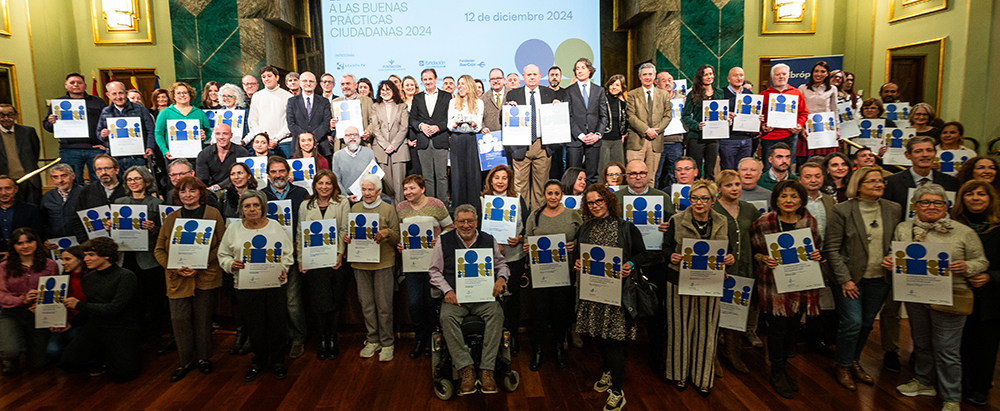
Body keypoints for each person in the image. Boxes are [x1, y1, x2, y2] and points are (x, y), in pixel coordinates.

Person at [887, 184, 988, 411]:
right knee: (922, 343)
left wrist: (966, 266)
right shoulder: (904, 228)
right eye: (925, 202)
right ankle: (924, 382)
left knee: (947, 349)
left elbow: (982, 262)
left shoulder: (964, 232)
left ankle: (952, 397)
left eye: (937, 203)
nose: (931, 207)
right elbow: (896, 254)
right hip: (915, 295)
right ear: (916, 206)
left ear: (946, 206)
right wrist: (890, 260)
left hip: (951, 297)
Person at [879, 136, 961, 373]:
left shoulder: (950, 183)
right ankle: (891, 349)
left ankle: (922, 350)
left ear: (935, 153)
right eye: (918, 151)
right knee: (893, 306)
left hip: (939, 249)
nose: (924, 155)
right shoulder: (892, 183)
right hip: (902, 247)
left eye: (928, 150)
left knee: (929, 305)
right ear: (908, 156)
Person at [575, 184, 651, 411]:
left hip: (618, 295)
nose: (596, 205)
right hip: (593, 293)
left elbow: (642, 254)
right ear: (586, 206)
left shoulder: (626, 227)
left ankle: (617, 391)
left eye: (599, 200)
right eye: (591, 202)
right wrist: (577, 263)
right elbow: (578, 255)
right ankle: (608, 372)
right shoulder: (585, 228)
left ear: (608, 201)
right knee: (599, 335)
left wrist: (631, 264)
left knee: (614, 341)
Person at [823, 166, 899, 391]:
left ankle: (854, 360)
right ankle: (843, 365)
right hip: (849, 278)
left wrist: (894, 257)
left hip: (879, 277)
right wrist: (845, 279)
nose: (878, 184)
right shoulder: (843, 210)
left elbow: (898, 240)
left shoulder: (893, 208)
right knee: (852, 322)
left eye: (880, 181)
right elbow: (832, 248)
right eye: (872, 181)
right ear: (858, 185)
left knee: (866, 323)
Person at [750, 180, 823, 399]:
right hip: (773, 284)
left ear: (801, 200)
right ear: (776, 199)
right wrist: (763, 257)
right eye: (784, 196)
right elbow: (753, 251)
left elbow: (818, 248)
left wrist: (817, 256)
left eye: (794, 196)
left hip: (802, 284)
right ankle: (777, 370)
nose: (789, 201)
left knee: (793, 329)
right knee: (777, 329)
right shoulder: (763, 222)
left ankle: (783, 366)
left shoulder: (810, 222)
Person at [428, 203, 510, 396]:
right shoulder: (443, 241)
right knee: (446, 318)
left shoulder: (489, 240)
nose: (466, 225)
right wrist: (447, 291)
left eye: (470, 221)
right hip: (456, 298)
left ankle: (487, 369)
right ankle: (466, 369)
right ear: (455, 223)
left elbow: (501, 265)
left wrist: (501, 278)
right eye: (462, 221)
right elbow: (434, 271)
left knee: (497, 313)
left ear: (476, 222)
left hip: (483, 297)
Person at [663, 179, 734, 395]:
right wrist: (671, 256)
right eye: (694, 198)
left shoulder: (722, 220)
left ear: (713, 200)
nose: (699, 203)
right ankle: (679, 374)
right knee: (680, 329)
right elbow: (664, 249)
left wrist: (730, 259)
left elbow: (727, 250)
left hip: (711, 282)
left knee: (706, 330)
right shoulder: (676, 219)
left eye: (704, 198)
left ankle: (703, 377)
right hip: (679, 280)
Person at [153, 176, 226, 382]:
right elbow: (159, 249)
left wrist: (201, 262)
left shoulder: (213, 214)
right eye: (183, 191)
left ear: (201, 193)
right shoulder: (171, 218)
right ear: (178, 195)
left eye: (192, 191)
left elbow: (222, 245)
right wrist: (173, 266)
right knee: (179, 320)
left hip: (205, 276)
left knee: (203, 319)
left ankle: (203, 358)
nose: (188, 195)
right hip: (177, 277)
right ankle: (184, 361)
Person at [217, 189, 292, 381]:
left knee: (277, 325)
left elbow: (288, 253)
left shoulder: (275, 226)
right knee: (255, 326)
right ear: (242, 209)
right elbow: (223, 255)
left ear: (263, 207)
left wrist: (283, 268)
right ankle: (258, 360)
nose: (252, 209)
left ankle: (278, 361)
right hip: (246, 287)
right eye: (247, 206)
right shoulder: (233, 229)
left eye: (256, 205)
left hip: (274, 285)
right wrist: (230, 264)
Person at [614, 160, 675, 368]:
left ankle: (656, 352)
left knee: (656, 310)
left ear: (648, 175)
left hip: (655, 260)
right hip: (626, 263)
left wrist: (669, 226)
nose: (638, 177)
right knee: (623, 307)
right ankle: (620, 351)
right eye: (632, 174)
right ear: (626, 176)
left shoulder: (662, 198)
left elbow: (674, 230)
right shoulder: (616, 198)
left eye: (642, 173)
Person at [58, 237, 142, 382]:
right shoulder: (89, 278)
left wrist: (79, 305)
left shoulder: (125, 276)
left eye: (91, 255)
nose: (86, 259)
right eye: (85, 255)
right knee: (68, 364)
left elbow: (115, 308)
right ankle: (102, 355)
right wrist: (72, 323)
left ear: (106, 255)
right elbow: (90, 307)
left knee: (124, 374)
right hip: (95, 325)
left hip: (121, 327)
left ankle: (111, 354)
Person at [522, 180, 582, 371]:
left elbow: (584, 237)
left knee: (561, 312)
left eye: (557, 193)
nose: (553, 197)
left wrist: (576, 245)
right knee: (539, 312)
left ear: (561, 195)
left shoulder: (573, 214)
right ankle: (538, 350)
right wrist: (526, 247)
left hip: (566, 272)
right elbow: (527, 237)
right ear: (544, 195)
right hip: (541, 273)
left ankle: (558, 348)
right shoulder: (535, 215)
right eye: (550, 193)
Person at [951, 180, 1000, 406]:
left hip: (990, 297)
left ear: (990, 199)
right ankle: (957, 383)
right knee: (959, 343)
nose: (976, 198)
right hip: (957, 293)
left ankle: (981, 387)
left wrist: (991, 276)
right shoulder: (951, 226)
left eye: (981, 194)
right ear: (962, 199)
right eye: (970, 194)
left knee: (985, 345)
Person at [342, 174, 400, 361]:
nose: (367, 193)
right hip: (360, 263)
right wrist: (348, 239)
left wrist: (387, 232)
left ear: (378, 191)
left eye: (370, 190)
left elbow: (398, 237)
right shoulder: (355, 208)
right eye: (364, 189)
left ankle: (387, 342)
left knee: (384, 306)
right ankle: (372, 339)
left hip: (383, 263)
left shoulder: (388, 209)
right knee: (366, 305)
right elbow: (350, 232)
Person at [395, 175, 453, 359]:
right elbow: (400, 233)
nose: (408, 192)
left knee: (430, 303)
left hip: (433, 264)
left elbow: (451, 228)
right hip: (412, 264)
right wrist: (400, 244)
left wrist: (439, 240)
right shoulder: (401, 208)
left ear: (422, 188)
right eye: (405, 189)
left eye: (412, 188)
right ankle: (419, 339)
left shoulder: (436, 205)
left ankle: (432, 340)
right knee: (414, 304)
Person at [294, 170, 349, 360]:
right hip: (314, 260)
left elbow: (344, 228)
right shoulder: (305, 205)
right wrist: (301, 259)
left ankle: (332, 339)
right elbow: (301, 232)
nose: (324, 187)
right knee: (318, 302)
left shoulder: (342, 202)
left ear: (334, 186)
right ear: (314, 185)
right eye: (320, 183)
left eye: (328, 183)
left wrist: (340, 253)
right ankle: (322, 339)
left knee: (335, 300)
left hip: (335, 260)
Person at [261, 156, 309, 358]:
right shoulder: (261, 196)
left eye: (281, 171)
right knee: (273, 301)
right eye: (274, 172)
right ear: (268, 174)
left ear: (288, 173)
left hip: (295, 252)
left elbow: (308, 220)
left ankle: (298, 338)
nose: (278, 175)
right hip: (269, 255)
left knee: (293, 301)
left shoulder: (302, 193)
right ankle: (280, 338)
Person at [112, 166, 164, 348]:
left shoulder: (156, 203)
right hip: (126, 257)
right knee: (131, 298)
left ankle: (154, 333)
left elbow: (164, 232)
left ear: (146, 181)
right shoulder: (119, 202)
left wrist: (153, 228)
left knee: (152, 298)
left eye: (137, 179)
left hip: (148, 259)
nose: (133, 182)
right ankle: (134, 332)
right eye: (129, 180)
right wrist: (110, 225)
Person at [713, 170, 763, 354]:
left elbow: (761, 234)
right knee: (723, 300)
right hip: (723, 264)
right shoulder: (713, 208)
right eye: (728, 185)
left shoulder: (749, 208)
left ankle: (748, 331)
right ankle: (721, 334)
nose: (734, 188)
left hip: (748, 261)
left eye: (737, 184)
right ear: (719, 188)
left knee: (750, 297)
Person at [480, 164, 528, 355]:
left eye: (504, 178)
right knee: (492, 298)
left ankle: (512, 336)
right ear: (490, 180)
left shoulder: (517, 199)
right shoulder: (482, 200)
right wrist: (492, 243)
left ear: (509, 181)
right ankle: (493, 337)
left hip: (514, 256)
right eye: (496, 177)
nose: (500, 181)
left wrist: (520, 238)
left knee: (512, 299)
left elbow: (526, 226)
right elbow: (476, 230)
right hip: (490, 258)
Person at [0, 227, 58, 375]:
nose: (25, 246)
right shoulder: (3, 267)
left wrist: (40, 304)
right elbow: (2, 295)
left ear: (36, 242)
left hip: (39, 314)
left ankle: (24, 344)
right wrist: (23, 299)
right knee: (11, 351)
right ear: (13, 246)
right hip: (11, 313)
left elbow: (56, 293)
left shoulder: (51, 265)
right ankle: (10, 356)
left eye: (29, 241)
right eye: (19, 243)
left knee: (38, 363)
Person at [214, 162, 257, 356]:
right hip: (233, 251)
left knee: (252, 296)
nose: (236, 177)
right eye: (233, 174)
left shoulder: (259, 195)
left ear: (248, 175)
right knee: (237, 298)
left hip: (256, 250)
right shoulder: (224, 197)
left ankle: (252, 336)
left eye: (240, 173)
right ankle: (241, 334)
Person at [504, 64, 560, 209]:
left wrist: (558, 106)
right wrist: (508, 108)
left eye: (535, 74)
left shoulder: (549, 93)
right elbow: (502, 117)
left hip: (543, 145)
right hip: (521, 145)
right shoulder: (513, 94)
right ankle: (521, 222)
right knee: (520, 187)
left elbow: (558, 117)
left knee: (541, 187)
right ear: (523, 77)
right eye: (529, 75)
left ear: (540, 76)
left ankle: (536, 221)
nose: (532, 77)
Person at [43, 73, 107, 186]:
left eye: (79, 82)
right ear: (66, 85)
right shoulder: (57, 103)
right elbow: (48, 127)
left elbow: (106, 123)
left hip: (95, 148)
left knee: (99, 181)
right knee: (72, 182)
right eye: (72, 83)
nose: (76, 85)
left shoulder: (98, 102)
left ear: (85, 86)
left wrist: (105, 143)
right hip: (69, 149)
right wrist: (51, 122)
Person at [409, 69, 451, 204]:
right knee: (427, 178)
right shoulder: (417, 97)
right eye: (425, 79)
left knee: (441, 176)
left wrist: (439, 127)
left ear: (436, 79)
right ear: (422, 81)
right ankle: (431, 206)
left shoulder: (446, 96)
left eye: (430, 79)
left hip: (441, 140)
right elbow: (412, 119)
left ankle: (442, 206)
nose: (428, 82)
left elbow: (450, 118)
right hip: (423, 142)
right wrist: (421, 126)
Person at [626, 62, 671, 188]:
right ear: (639, 77)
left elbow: (668, 115)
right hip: (637, 140)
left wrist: (656, 130)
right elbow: (630, 116)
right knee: (633, 176)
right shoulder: (631, 94)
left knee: (651, 178)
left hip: (656, 140)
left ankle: (649, 206)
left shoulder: (663, 94)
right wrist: (646, 130)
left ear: (654, 76)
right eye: (644, 74)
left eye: (650, 74)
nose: (647, 77)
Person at [97, 80, 157, 173]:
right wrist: (102, 134)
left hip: (138, 156)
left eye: (121, 93)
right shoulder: (106, 111)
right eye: (114, 93)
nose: (118, 97)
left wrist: (149, 147)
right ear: (108, 95)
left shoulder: (140, 109)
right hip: (115, 157)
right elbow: (99, 132)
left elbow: (150, 130)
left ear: (126, 93)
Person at [565, 58, 608, 185]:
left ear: (590, 70)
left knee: (592, 175)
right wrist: (581, 136)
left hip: (594, 140)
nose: (579, 71)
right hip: (575, 140)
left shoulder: (599, 90)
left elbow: (603, 116)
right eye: (577, 68)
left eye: (582, 67)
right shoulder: (569, 91)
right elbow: (568, 116)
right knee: (573, 176)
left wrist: (597, 135)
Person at [761, 64, 808, 171]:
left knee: (786, 167)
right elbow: (758, 116)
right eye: (777, 74)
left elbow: (804, 113)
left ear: (788, 76)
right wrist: (762, 126)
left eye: (784, 74)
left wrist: (799, 125)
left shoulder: (796, 93)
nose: (781, 77)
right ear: (772, 78)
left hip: (790, 136)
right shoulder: (764, 94)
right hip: (769, 137)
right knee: (768, 168)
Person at [448, 75, 486, 209]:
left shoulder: (478, 102)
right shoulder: (453, 102)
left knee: (473, 175)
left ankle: (473, 208)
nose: (460, 87)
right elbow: (449, 124)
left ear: (469, 86)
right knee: (457, 175)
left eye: (463, 84)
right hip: (457, 139)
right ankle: (458, 208)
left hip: (472, 139)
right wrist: (455, 124)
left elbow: (479, 125)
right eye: (459, 84)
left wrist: (474, 124)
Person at [42, 245, 86, 360]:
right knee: (52, 351)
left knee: (72, 336)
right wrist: (53, 321)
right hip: (62, 322)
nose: (62, 263)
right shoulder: (61, 279)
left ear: (80, 259)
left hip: (82, 322)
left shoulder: (89, 279)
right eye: (62, 259)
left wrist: (71, 323)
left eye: (67, 259)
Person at [369, 81, 409, 205]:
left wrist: (393, 145)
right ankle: (389, 215)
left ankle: (400, 214)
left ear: (393, 91)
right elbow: (375, 128)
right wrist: (386, 145)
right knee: (386, 185)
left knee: (399, 185)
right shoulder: (375, 106)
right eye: (382, 90)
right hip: (381, 150)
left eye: (388, 90)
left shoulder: (402, 106)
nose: (385, 92)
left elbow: (404, 128)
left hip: (399, 149)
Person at [681, 65, 724, 180]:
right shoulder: (693, 93)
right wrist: (696, 125)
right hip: (697, 137)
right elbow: (685, 116)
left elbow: (722, 112)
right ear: (700, 77)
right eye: (706, 74)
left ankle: (709, 195)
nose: (709, 76)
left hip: (714, 137)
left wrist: (727, 119)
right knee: (696, 170)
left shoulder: (719, 93)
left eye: (711, 73)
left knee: (710, 170)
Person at [73, 155, 127, 242]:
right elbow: (77, 219)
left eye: (107, 168)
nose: (103, 172)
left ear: (116, 170)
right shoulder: (86, 191)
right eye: (99, 169)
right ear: (95, 172)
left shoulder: (129, 189)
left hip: (127, 242)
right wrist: (84, 242)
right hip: (97, 244)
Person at [153, 82, 211, 161]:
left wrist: (204, 136)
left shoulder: (200, 113)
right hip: (173, 155)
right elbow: (158, 133)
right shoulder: (165, 113)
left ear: (190, 94)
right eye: (178, 93)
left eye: (185, 92)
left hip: (195, 156)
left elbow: (208, 131)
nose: (182, 95)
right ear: (173, 96)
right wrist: (164, 150)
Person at [0, 104, 42, 204]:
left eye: (10, 115)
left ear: (15, 116)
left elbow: (35, 152)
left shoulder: (28, 132)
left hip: (29, 181)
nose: (6, 118)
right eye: (2, 115)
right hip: (4, 184)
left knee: (33, 212)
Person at [797, 61, 839, 160]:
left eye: (822, 71)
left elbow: (834, 109)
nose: (819, 74)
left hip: (825, 128)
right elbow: (799, 110)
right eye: (816, 71)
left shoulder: (832, 89)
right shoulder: (802, 88)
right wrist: (802, 127)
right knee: (801, 160)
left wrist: (837, 129)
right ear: (812, 73)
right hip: (807, 127)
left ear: (827, 74)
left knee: (823, 160)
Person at [248, 66, 293, 158]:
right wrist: (263, 140)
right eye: (263, 77)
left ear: (277, 77)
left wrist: (276, 138)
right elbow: (253, 120)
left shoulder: (288, 96)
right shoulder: (257, 96)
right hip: (263, 145)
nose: (266, 79)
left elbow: (290, 122)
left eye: (269, 76)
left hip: (284, 143)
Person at [653, 71, 686, 189]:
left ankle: (675, 202)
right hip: (657, 142)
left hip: (676, 143)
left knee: (676, 174)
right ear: (657, 83)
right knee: (655, 175)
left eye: (670, 80)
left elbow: (687, 120)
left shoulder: (682, 99)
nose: (668, 83)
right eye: (664, 81)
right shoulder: (652, 99)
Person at [286, 72, 331, 155]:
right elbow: (291, 123)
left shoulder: (324, 102)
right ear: (300, 83)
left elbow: (326, 122)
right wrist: (305, 139)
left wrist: (313, 139)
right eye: (305, 81)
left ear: (316, 84)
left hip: (321, 147)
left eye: (311, 81)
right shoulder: (292, 102)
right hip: (298, 147)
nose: (308, 84)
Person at [196, 123, 250, 192]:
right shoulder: (204, 154)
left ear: (231, 135)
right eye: (218, 134)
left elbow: (243, 176)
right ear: (214, 135)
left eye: (225, 134)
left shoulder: (242, 153)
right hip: (210, 191)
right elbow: (201, 179)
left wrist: (218, 186)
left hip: (236, 189)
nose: (221, 137)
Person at [721, 67, 754, 172]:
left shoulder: (748, 93)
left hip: (746, 139)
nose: (739, 78)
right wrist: (725, 115)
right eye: (735, 75)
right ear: (728, 78)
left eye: (741, 75)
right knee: (728, 171)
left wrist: (757, 117)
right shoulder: (721, 93)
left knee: (744, 170)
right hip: (728, 139)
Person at [0, 176, 43, 256]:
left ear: (16, 189)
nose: (3, 193)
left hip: (25, 257)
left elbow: (37, 236)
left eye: (8, 188)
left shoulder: (31, 209)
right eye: (0, 189)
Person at [330, 73, 374, 151]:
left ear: (355, 85)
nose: (345, 86)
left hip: (362, 143)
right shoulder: (335, 102)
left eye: (348, 83)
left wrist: (368, 132)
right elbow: (333, 124)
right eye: (342, 84)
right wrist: (332, 125)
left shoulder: (366, 100)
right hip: (342, 145)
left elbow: (373, 121)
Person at [331, 127, 376, 200]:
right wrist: (346, 197)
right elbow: (337, 180)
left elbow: (374, 176)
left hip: (366, 196)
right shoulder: (337, 155)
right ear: (344, 138)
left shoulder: (368, 152)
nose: (352, 137)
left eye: (355, 134)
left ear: (359, 137)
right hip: (345, 197)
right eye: (348, 135)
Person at [41, 164, 81, 242]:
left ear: (73, 176)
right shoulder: (47, 196)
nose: (60, 180)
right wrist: (46, 239)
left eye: (64, 176)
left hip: (81, 240)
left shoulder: (84, 193)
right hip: (56, 241)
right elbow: (43, 221)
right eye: (55, 177)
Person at [602, 74, 629, 169]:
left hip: (617, 141)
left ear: (622, 88)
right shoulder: (600, 101)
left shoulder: (623, 104)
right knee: (603, 169)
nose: (614, 87)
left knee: (619, 168)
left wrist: (623, 134)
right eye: (612, 84)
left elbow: (625, 121)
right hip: (603, 140)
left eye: (617, 85)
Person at [481, 68, 507, 135]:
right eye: (493, 79)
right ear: (489, 81)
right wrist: (483, 128)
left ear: (504, 80)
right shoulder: (483, 98)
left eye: (498, 78)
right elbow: (480, 118)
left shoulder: (512, 94)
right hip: (491, 138)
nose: (495, 81)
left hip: (510, 137)